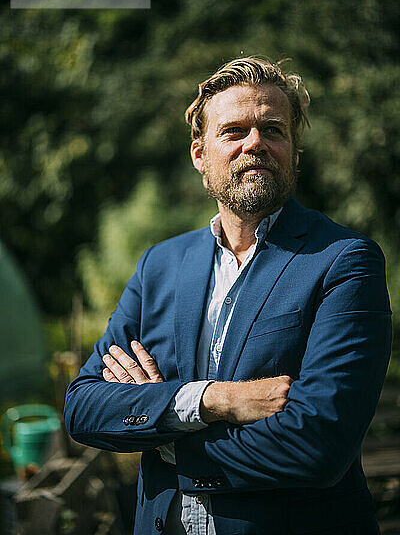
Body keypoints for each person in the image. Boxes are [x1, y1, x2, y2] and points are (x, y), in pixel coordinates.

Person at [64, 57, 392, 535]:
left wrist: (164, 436)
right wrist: (213, 400)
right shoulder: (160, 266)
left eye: (273, 130)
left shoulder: (344, 260)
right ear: (200, 155)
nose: (255, 142)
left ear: (293, 153)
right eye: (234, 130)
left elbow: (318, 446)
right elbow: (83, 408)